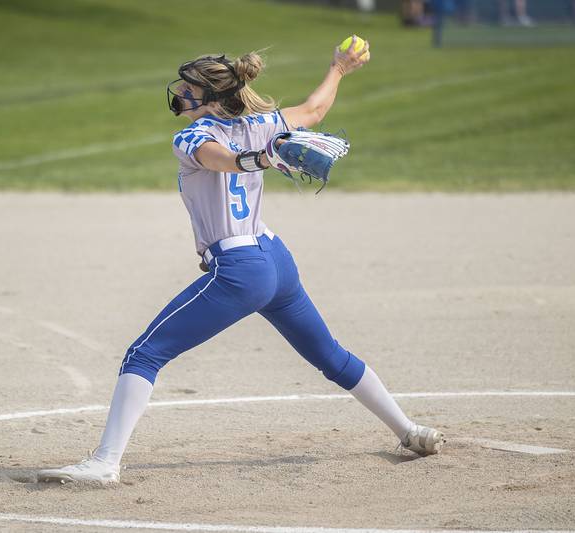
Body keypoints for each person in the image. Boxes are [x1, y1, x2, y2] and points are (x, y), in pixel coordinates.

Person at [37, 38, 444, 486]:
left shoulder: (191, 135)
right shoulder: (262, 124)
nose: (180, 93)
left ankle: (105, 462)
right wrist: (339, 69)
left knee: (145, 353)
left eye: (188, 88)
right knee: (331, 356)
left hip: (240, 270)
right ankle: (409, 431)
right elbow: (313, 111)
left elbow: (223, 161)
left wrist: (258, 159)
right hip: (277, 262)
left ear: (211, 98)